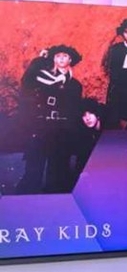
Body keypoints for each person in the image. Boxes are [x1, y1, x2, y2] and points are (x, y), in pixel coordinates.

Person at [16, 45, 83, 194]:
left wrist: (72, 134)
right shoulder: (41, 78)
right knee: (34, 169)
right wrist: (40, 60)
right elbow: (27, 81)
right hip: (42, 128)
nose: (61, 59)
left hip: (62, 131)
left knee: (58, 171)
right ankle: (27, 203)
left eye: (65, 56)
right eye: (57, 56)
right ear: (53, 59)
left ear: (70, 60)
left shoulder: (75, 85)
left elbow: (75, 111)